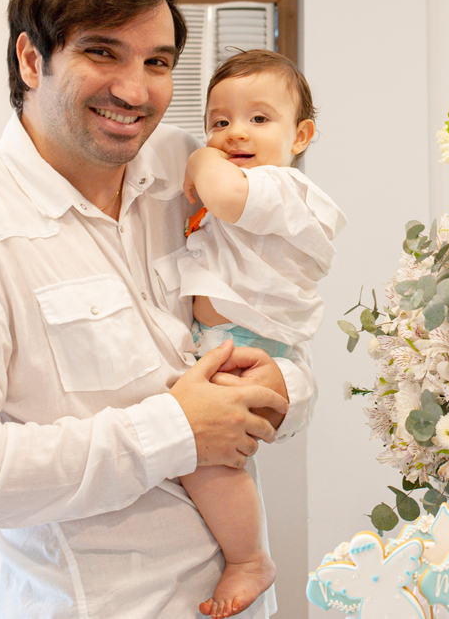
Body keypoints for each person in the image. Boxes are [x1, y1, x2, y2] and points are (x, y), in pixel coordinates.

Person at [0, 0, 314, 619]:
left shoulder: (191, 172)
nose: (135, 91)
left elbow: (274, 309)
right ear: (31, 60)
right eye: (103, 53)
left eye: (157, 62)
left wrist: (289, 387)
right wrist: (171, 430)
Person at [156, 50, 345, 618]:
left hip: (246, 344)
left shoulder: (284, 189)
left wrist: (197, 159)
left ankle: (248, 559)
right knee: (205, 458)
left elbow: (227, 196)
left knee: (208, 460)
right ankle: (244, 555)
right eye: (219, 121)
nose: (235, 132)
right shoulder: (254, 188)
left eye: (259, 119)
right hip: (223, 341)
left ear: (301, 134)